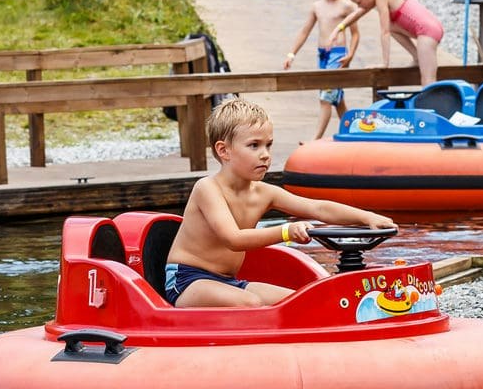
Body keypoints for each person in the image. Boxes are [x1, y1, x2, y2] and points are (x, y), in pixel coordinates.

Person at [165, 98, 396, 308]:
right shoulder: (207, 188)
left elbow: (318, 208)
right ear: (223, 150)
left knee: (300, 303)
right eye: (254, 145)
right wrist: (287, 231)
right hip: (188, 280)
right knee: (250, 303)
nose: (265, 154)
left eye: (268, 145)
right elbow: (233, 239)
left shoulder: (265, 193)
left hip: (227, 281)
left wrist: (367, 217)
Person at [282, 0, 361, 140]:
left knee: (326, 98)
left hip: (338, 55)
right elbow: (305, 31)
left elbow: (355, 33)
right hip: (323, 56)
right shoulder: (317, 7)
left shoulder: (346, 6)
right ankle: (354, 133)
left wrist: (350, 54)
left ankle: (315, 139)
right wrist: (291, 53)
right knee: (337, 99)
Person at [331, 0, 443, 85]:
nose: (359, 6)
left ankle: (431, 101)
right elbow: (357, 14)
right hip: (429, 28)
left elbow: (385, 32)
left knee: (428, 79)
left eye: (359, 2)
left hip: (427, 32)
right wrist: (339, 28)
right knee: (392, 25)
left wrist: (385, 63)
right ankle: (417, 57)